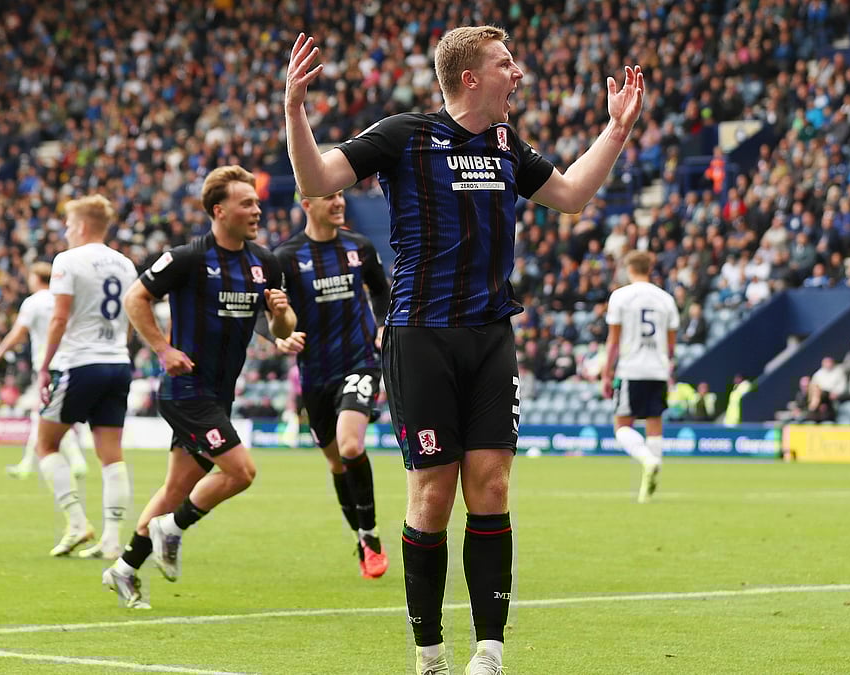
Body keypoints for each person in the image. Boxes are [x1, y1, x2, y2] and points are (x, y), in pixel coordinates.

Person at [285, 26, 644, 675]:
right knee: (432, 498)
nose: (519, 73)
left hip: (490, 334)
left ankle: (490, 650)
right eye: (506, 63)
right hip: (421, 335)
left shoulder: (506, 144)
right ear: (471, 77)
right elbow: (316, 177)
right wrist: (294, 110)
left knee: (493, 485)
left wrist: (616, 131)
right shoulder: (405, 135)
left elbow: (570, 195)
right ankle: (430, 654)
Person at [102, 166, 295, 610]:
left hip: (219, 395)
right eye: (246, 203)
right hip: (185, 390)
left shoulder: (266, 263)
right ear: (219, 210)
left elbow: (280, 327)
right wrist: (162, 348)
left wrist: (283, 314)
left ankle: (124, 569)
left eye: (257, 202)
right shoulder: (187, 258)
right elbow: (135, 298)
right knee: (241, 472)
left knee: (174, 490)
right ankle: (172, 527)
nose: (257, 210)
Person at [268, 190, 391, 578]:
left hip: (359, 362)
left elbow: (381, 291)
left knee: (351, 445)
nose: (339, 203)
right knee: (336, 462)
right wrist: (280, 335)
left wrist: (383, 326)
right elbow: (270, 315)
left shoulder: (359, 247)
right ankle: (361, 536)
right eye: (329, 197)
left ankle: (371, 535)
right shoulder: (286, 258)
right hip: (315, 374)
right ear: (306, 204)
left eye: (340, 195)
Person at [35, 195, 140, 561]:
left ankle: (77, 522)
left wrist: (44, 366)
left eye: (68, 225)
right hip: (117, 363)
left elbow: (59, 318)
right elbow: (132, 314)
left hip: (80, 363)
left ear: (80, 226)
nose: (66, 232)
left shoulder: (67, 260)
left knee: (46, 444)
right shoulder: (125, 263)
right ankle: (112, 540)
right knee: (111, 454)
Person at [0, 261, 90, 480]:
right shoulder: (63, 299)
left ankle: (72, 461)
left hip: (48, 366)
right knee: (47, 416)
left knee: (46, 416)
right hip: (70, 362)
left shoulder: (33, 302)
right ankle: (33, 464)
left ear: (37, 278)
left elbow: (17, 333)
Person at [600, 251, 680, 503]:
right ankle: (649, 486)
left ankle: (648, 460)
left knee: (622, 426)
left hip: (631, 369)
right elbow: (671, 345)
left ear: (629, 269)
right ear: (650, 268)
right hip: (658, 369)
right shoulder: (666, 299)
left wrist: (606, 373)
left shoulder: (620, 296)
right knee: (654, 423)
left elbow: (613, 340)